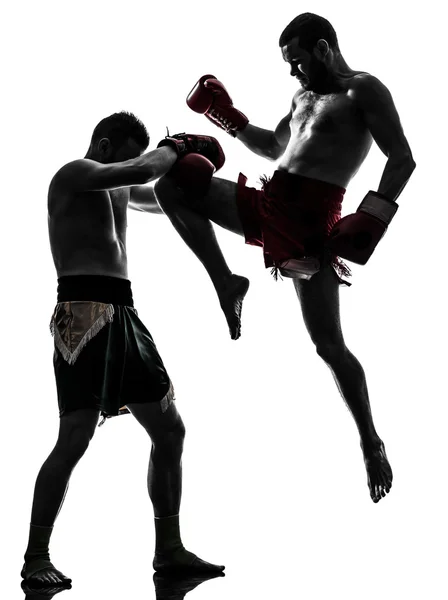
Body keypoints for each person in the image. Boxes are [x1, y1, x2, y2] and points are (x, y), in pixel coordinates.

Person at [153, 13, 416, 503]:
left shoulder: (364, 91)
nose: (293, 73)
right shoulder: (299, 98)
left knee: (329, 346)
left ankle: (370, 442)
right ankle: (227, 283)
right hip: (271, 201)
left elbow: (402, 157)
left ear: (322, 48)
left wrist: (374, 216)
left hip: (312, 225)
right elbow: (274, 146)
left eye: (297, 61)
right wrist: (224, 116)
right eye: (288, 64)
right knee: (175, 183)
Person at [21, 112, 226, 588]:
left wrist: (194, 178)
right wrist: (175, 146)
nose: (137, 162)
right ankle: (35, 557)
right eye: (130, 154)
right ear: (106, 145)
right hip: (82, 310)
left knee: (170, 430)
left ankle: (170, 550)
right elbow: (141, 171)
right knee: (75, 437)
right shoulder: (74, 173)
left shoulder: (118, 185)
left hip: (126, 312)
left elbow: (157, 194)